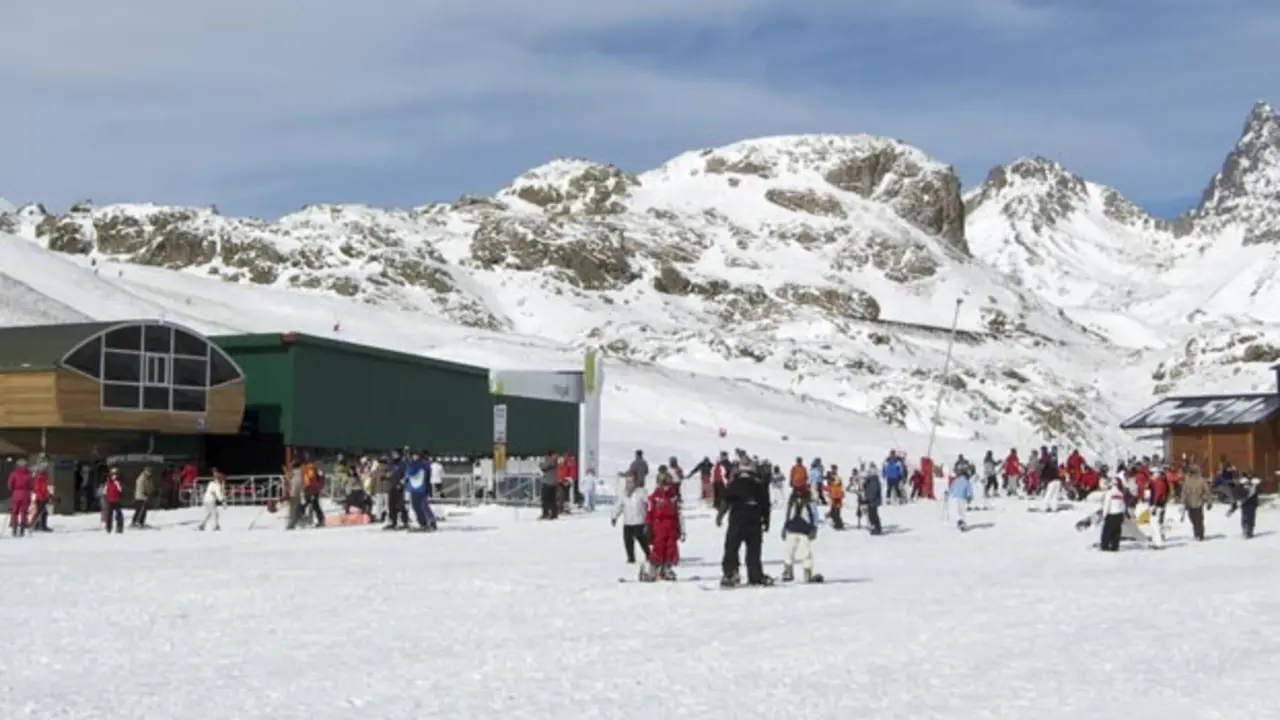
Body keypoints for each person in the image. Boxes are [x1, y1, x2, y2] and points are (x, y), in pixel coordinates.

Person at [716, 459, 773, 587]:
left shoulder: (734, 483)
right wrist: (766, 520)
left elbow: (725, 500)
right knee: (754, 549)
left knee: (732, 547)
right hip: (754, 519)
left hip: (738, 518)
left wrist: (720, 515)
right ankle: (755, 575)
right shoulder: (760, 484)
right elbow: (766, 504)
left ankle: (730, 573)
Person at [644, 469, 684, 581]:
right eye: (664, 485)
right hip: (659, 524)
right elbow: (650, 511)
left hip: (671, 524)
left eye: (668, 485)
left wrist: (679, 528)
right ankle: (653, 567)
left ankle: (667, 567)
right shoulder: (655, 497)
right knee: (659, 546)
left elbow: (678, 513)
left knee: (671, 547)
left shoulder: (673, 497)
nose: (666, 487)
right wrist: (648, 526)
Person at [780, 487, 821, 583]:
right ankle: (788, 570)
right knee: (789, 551)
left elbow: (814, 515)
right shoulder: (792, 502)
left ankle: (807, 572)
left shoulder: (809, 502)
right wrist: (785, 527)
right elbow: (788, 515)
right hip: (794, 529)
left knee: (805, 552)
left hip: (803, 530)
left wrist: (814, 528)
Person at [611, 474, 651, 571]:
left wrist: (649, 516)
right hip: (628, 522)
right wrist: (614, 516)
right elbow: (619, 506)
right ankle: (631, 558)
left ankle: (649, 555)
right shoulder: (624, 494)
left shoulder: (641, 492)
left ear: (635, 482)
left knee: (642, 540)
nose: (629, 484)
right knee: (628, 540)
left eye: (631, 482)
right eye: (627, 482)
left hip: (639, 521)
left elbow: (649, 503)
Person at [1180, 467, 1211, 541]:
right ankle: (1197, 532)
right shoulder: (1187, 481)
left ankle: (1200, 534)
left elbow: (1207, 491)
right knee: (1193, 518)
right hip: (1190, 503)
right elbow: (1184, 491)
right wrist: (1183, 501)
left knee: (1199, 519)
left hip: (1198, 502)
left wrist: (1208, 500)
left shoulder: (1201, 480)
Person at [1226, 474, 1260, 539]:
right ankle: (1247, 530)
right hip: (1250, 504)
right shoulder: (1252, 487)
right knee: (1249, 517)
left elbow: (1236, 498)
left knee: (1246, 517)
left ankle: (1246, 530)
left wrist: (1232, 508)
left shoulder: (1247, 487)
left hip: (1248, 504)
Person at [1098, 477, 1127, 551]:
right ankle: (1115, 546)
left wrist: (1104, 515)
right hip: (1119, 514)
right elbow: (1123, 505)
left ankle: (1104, 546)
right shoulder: (1120, 494)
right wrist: (1123, 516)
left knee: (1107, 531)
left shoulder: (1109, 493)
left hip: (1111, 514)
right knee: (1116, 531)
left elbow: (1107, 505)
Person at [7, 458, 33, 537]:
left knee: (14, 512)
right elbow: (32, 484)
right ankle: (22, 529)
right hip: (25, 493)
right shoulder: (28, 474)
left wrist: (12, 491)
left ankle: (14, 528)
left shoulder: (13, 473)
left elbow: (10, 484)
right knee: (23, 512)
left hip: (16, 493)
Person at [949, 461, 974, 531]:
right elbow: (969, 491)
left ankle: (959, 521)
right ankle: (962, 523)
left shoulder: (956, 480)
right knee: (962, 511)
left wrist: (949, 492)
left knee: (957, 510)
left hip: (955, 497)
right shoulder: (967, 481)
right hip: (962, 497)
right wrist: (969, 497)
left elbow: (952, 487)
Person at [102, 467, 125, 534]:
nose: (115, 476)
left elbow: (105, 492)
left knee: (115, 514)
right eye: (114, 474)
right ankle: (112, 527)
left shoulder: (109, 482)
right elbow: (120, 490)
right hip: (113, 500)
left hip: (113, 500)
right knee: (114, 514)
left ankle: (114, 527)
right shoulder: (114, 482)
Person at [862, 470, 883, 535]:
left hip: (873, 501)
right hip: (872, 500)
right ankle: (876, 527)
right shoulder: (870, 481)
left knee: (872, 515)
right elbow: (868, 490)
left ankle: (876, 528)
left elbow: (873, 492)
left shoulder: (873, 481)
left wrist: (868, 499)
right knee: (872, 514)